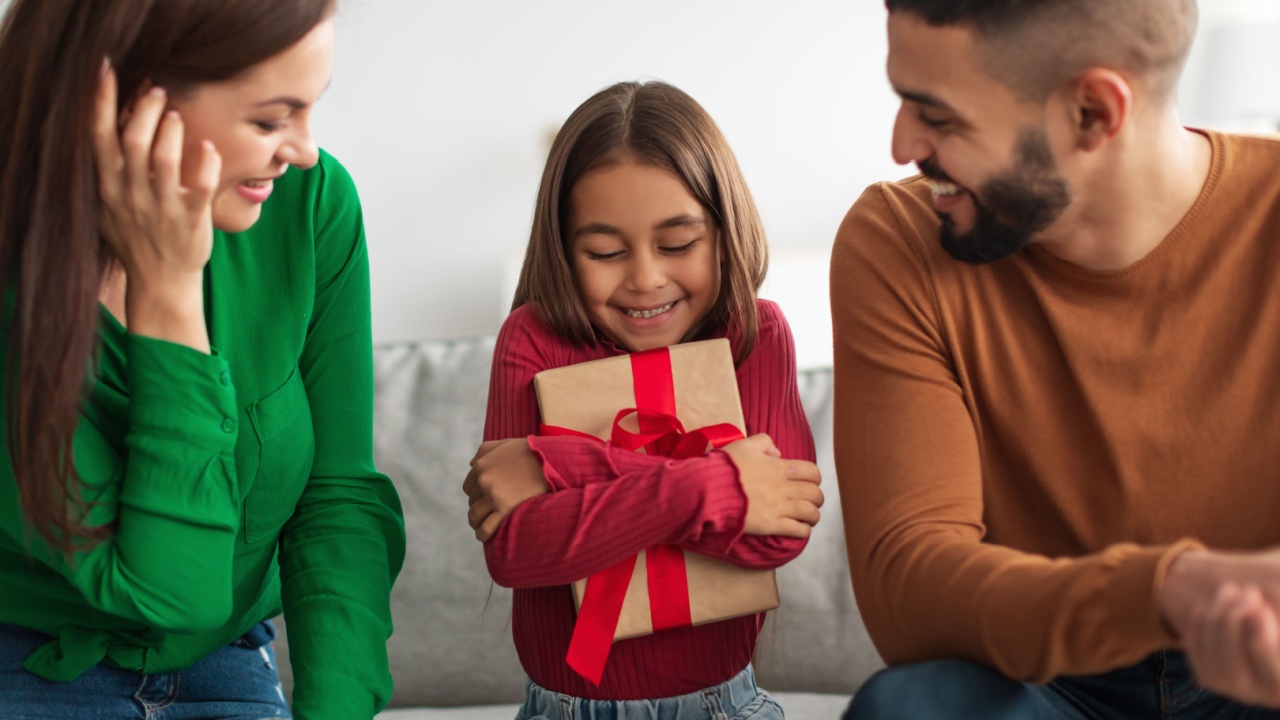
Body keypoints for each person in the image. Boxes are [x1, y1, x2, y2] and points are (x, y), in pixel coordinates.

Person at [831, 0, 1280, 717]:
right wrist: (1168, 591)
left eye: (939, 116)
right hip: (1044, 681)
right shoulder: (897, 242)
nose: (900, 142)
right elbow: (907, 591)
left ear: (1093, 113)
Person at [0, 1, 404, 718]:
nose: (305, 149)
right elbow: (169, 591)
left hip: (223, 653)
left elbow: (336, 495)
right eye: (271, 119)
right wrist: (169, 293)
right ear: (128, 100)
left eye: (311, 109)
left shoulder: (310, 203)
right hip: (28, 656)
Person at [461, 80, 824, 719]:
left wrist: (561, 466)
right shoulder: (535, 339)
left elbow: (776, 532)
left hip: (721, 706)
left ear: (723, 230)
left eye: (678, 244)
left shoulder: (754, 335)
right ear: (562, 247)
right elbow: (515, 551)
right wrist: (713, 487)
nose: (646, 278)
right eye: (604, 251)